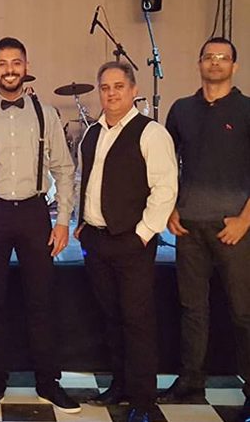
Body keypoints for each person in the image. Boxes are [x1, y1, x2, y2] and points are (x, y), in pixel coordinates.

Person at [0, 37, 80, 416]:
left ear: (26, 67)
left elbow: (65, 169)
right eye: (3, 63)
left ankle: (48, 382)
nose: (9, 69)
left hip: (34, 213)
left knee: (42, 300)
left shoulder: (46, 113)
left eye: (16, 62)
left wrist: (63, 220)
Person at [74, 61, 177, 422]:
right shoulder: (92, 134)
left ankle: (144, 401)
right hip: (96, 240)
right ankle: (120, 385)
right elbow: (84, 180)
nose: (111, 93)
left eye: (119, 86)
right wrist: (81, 223)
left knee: (138, 322)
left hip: (132, 242)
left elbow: (165, 188)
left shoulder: (151, 133)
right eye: (105, 87)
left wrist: (144, 233)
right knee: (111, 318)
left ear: (133, 90)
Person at [158, 37, 250, 422]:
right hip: (189, 228)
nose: (215, 63)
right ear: (199, 63)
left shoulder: (247, 110)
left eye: (223, 58)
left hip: (235, 228)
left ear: (234, 66)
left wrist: (245, 220)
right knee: (192, 309)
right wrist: (170, 209)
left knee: (243, 312)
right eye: (209, 57)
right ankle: (191, 381)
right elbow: (165, 165)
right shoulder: (181, 110)